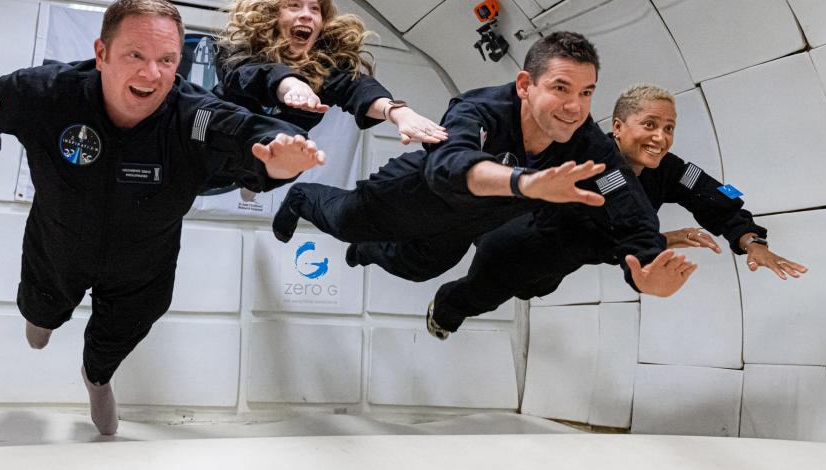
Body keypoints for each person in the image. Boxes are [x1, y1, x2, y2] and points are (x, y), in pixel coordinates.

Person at [0, 0, 326, 435]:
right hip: (57, 246)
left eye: (168, 60)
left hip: (143, 265)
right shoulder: (48, 95)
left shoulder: (191, 116)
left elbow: (251, 133)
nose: (152, 74)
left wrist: (278, 164)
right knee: (40, 312)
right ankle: (42, 319)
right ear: (101, 53)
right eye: (136, 54)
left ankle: (97, 378)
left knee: (115, 338)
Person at [271, 32, 695, 318]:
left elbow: (627, 202)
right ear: (526, 84)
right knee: (346, 222)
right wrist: (521, 182)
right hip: (411, 195)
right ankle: (302, 197)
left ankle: (366, 252)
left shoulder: (587, 142)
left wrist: (645, 266)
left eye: (586, 93)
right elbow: (446, 165)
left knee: (418, 268)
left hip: (468, 223)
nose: (574, 106)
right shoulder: (480, 108)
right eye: (561, 88)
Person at [425, 82, 806, 339]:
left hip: (561, 263)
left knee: (535, 288)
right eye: (650, 124)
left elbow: (714, 196)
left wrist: (751, 240)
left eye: (669, 128)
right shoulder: (584, 158)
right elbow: (601, 229)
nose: (661, 137)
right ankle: (442, 310)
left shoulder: (669, 169)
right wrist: (658, 240)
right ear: (619, 127)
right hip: (516, 244)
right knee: (478, 296)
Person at [215, 0, 447, 145]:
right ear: (269, 13)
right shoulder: (240, 48)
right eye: (294, 6)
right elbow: (246, 73)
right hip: (213, 139)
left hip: (264, 162)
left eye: (315, 9)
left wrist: (398, 113)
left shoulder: (326, 66)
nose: (306, 15)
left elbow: (359, 88)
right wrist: (291, 84)